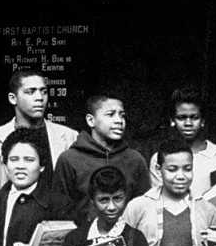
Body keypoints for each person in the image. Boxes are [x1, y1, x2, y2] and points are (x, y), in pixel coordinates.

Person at [0, 69, 77, 215]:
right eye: (30, 92)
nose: (39, 98)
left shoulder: (69, 137)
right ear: (13, 98)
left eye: (43, 91)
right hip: (9, 229)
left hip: (59, 227)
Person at [53, 93, 149, 224]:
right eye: (110, 114)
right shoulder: (69, 159)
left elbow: (145, 210)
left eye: (122, 115)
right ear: (90, 120)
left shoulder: (135, 159)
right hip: (83, 240)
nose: (119, 121)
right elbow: (60, 211)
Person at [147, 87, 216, 210]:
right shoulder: (160, 158)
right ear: (172, 121)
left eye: (194, 117)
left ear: (202, 121)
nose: (188, 123)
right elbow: (160, 202)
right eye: (181, 117)